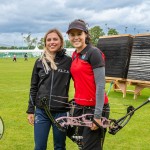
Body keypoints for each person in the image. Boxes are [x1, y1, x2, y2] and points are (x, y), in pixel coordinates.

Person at [66, 19, 110, 150]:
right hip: (80, 107)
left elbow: (101, 85)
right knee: (81, 144)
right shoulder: (74, 55)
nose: (76, 37)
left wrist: (97, 116)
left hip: (95, 109)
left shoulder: (94, 52)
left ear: (85, 34)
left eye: (79, 33)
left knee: (91, 147)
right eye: (72, 35)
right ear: (68, 37)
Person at [26, 28, 72, 150]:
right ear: (45, 42)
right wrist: (31, 110)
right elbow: (33, 87)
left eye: (55, 39)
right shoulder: (39, 62)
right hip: (42, 112)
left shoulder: (69, 61)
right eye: (49, 40)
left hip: (61, 112)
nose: (52, 42)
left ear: (61, 42)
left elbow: (80, 82)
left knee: (60, 147)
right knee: (39, 147)